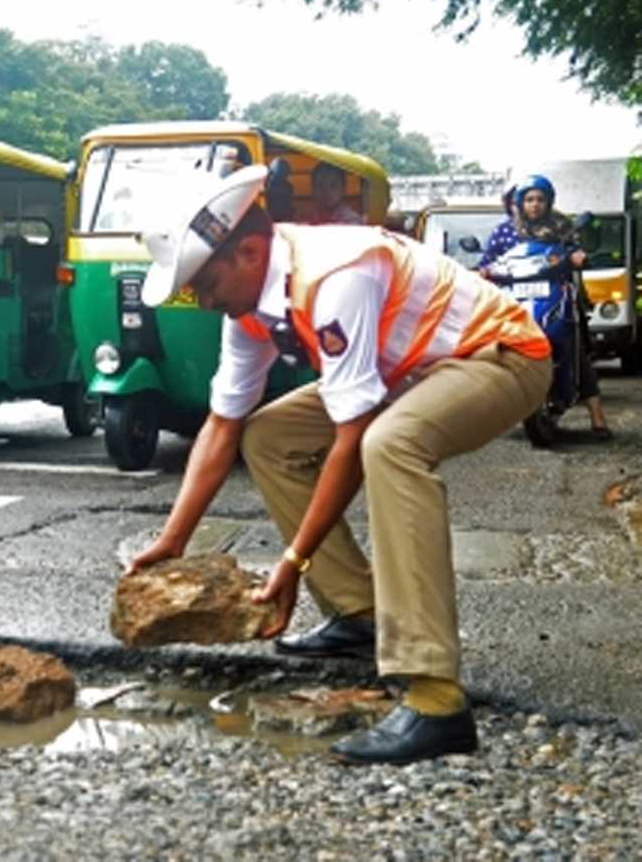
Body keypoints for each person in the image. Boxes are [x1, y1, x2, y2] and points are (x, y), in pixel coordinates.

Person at [128, 165, 551, 765]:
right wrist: (171, 541)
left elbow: (352, 441)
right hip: (410, 370)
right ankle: (358, 614)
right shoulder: (248, 308)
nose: (201, 300)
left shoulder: (335, 275)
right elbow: (222, 426)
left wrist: (293, 561)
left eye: (205, 282)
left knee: (390, 444)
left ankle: (435, 699)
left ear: (249, 252)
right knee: (268, 434)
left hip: (500, 356)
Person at [480, 174, 612, 440]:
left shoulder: (562, 227)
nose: (535, 204)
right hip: (515, 297)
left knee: (575, 348)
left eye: (540, 199)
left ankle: (598, 418)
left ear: (549, 202)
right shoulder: (506, 231)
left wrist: (578, 256)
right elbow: (488, 260)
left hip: (556, 294)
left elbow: (575, 250)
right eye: (529, 199)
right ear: (520, 203)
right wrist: (483, 270)